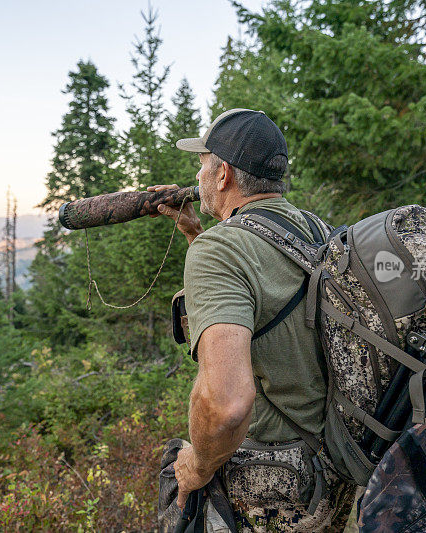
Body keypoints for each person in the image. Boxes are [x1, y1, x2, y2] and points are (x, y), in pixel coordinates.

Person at [150, 109, 356, 532]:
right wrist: (196, 235)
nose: (198, 172)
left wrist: (197, 469)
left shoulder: (221, 251)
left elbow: (226, 406)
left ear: (222, 174)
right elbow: (264, 290)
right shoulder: (314, 230)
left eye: (202, 162)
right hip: (335, 462)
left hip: (273, 478)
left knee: (178, 468)